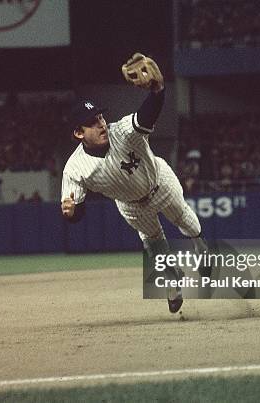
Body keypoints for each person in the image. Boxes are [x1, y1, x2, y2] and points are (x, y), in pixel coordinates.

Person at [60, 54, 210, 314]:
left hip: (158, 182)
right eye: (92, 122)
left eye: (100, 117)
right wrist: (72, 212)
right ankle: (173, 288)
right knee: (153, 242)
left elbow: (146, 115)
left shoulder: (122, 132)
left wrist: (158, 91)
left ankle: (202, 248)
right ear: (79, 133)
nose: (101, 123)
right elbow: (77, 212)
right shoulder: (74, 169)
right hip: (131, 205)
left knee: (185, 219)